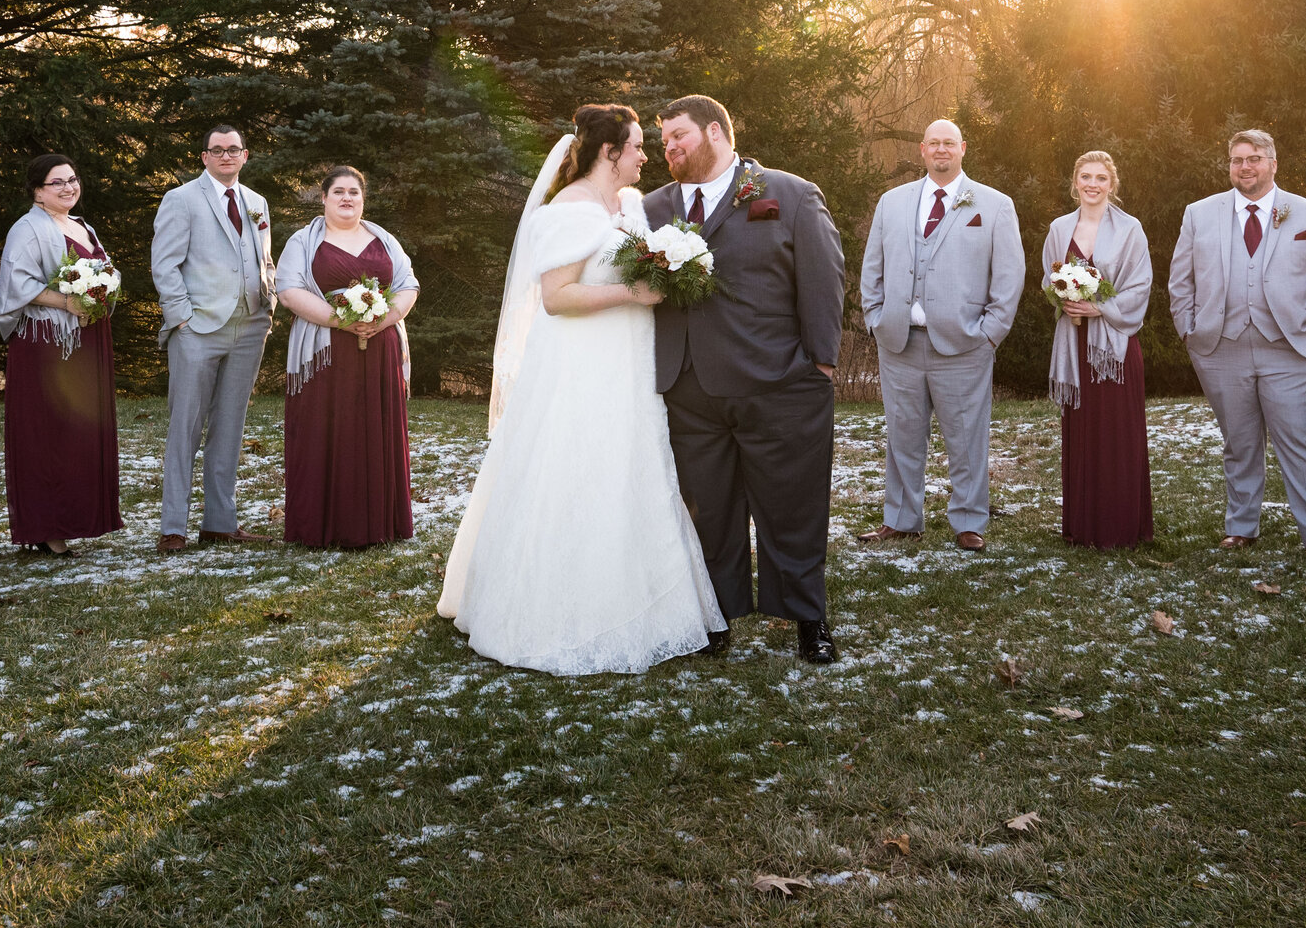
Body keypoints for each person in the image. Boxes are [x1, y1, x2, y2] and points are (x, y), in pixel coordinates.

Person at [436, 105, 725, 672]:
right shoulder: (566, 212)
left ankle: (650, 603)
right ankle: (558, 612)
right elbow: (556, 297)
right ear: (609, 152)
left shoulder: (631, 206)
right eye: (639, 145)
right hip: (580, 368)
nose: (648, 155)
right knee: (577, 472)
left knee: (632, 472)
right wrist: (631, 295)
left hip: (632, 365)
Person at [644, 95, 847, 664]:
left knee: (793, 507)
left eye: (679, 135)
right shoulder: (652, 208)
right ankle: (715, 619)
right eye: (664, 140)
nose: (670, 147)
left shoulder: (790, 194)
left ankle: (809, 618)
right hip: (688, 387)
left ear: (715, 132)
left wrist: (821, 363)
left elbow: (824, 281)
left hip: (779, 382)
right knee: (706, 510)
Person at [1167, 128, 1306, 559]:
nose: (1244, 167)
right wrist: (1189, 332)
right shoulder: (1199, 213)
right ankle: (1241, 526)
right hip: (1220, 347)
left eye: (1253, 159)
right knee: (1239, 441)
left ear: (1272, 163)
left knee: (1301, 439)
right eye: (1236, 160)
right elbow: (1181, 280)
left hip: (1294, 348)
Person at [856, 119, 1025, 551]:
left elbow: (1009, 277)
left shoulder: (994, 204)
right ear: (922, 150)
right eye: (934, 144)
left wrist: (990, 334)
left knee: (967, 437)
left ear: (963, 148)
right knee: (902, 436)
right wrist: (876, 317)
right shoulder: (892, 202)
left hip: (965, 344)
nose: (942, 150)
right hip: (899, 342)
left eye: (950, 143)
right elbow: (871, 267)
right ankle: (901, 517)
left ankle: (969, 521)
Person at [273, 167, 418, 548]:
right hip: (324, 353)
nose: (347, 198)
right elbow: (288, 290)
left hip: (380, 348)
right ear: (323, 198)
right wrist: (340, 320)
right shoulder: (303, 242)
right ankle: (323, 526)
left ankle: (381, 523)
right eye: (338, 191)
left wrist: (383, 318)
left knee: (376, 427)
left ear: (363, 198)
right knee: (325, 428)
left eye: (354, 192)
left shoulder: (383, 239)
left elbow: (408, 285)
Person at [149, 125, 276, 553]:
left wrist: (268, 304)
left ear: (245, 155)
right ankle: (173, 527)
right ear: (203, 156)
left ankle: (220, 521)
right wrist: (181, 318)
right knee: (185, 426)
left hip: (250, 326)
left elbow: (264, 259)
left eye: (233, 149)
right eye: (216, 150)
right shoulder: (181, 199)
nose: (226, 156)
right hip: (198, 329)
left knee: (230, 425)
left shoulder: (256, 203)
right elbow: (164, 266)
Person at [0, 155, 125, 556]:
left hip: (86, 340)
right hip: (47, 345)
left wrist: (101, 291)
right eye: (57, 183)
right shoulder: (28, 228)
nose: (69, 187)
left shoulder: (83, 227)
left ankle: (77, 518)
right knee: (49, 431)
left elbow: (102, 272)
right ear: (37, 190)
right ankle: (46, 528)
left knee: (79, 430)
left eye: (73, 179)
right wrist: (67, 303)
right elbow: (19, 283)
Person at [1042, 150, 1155, 549]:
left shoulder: (1130, 230)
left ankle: (1118, 528)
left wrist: (1098, 307)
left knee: (1116, 435)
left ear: (1112, 184)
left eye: (1101, 178)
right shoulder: (1059, 228)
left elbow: (1140, 287)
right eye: (1085, 177)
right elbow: (1049, 276)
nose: (1092, 184)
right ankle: (1082, 526)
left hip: (1114, 350)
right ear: (1075, 182)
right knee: (1083, 432)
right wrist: (1064, 299)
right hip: (1073, 344)